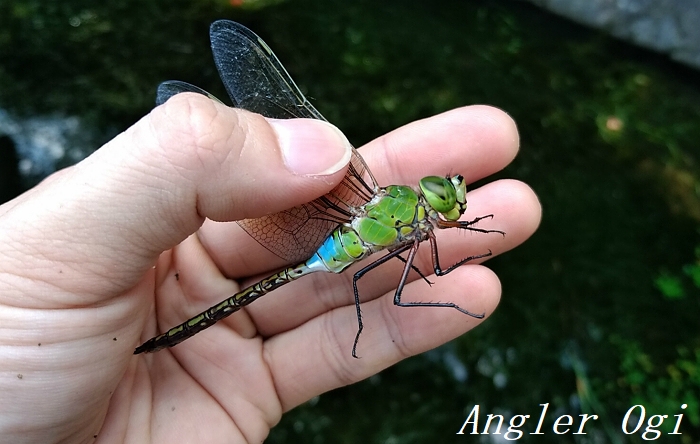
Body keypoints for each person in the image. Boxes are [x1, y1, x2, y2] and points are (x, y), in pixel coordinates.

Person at [0, 93, 540, 443]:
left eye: (450, 200)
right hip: (329, 259)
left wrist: (467, 231)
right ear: (427, 198)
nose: (451, 203)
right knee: (389, 289)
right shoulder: (413, 214)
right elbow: (411, 270)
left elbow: (433, 243)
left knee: (391, 276)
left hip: (332, 254)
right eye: (446, 197)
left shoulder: (413, 214)